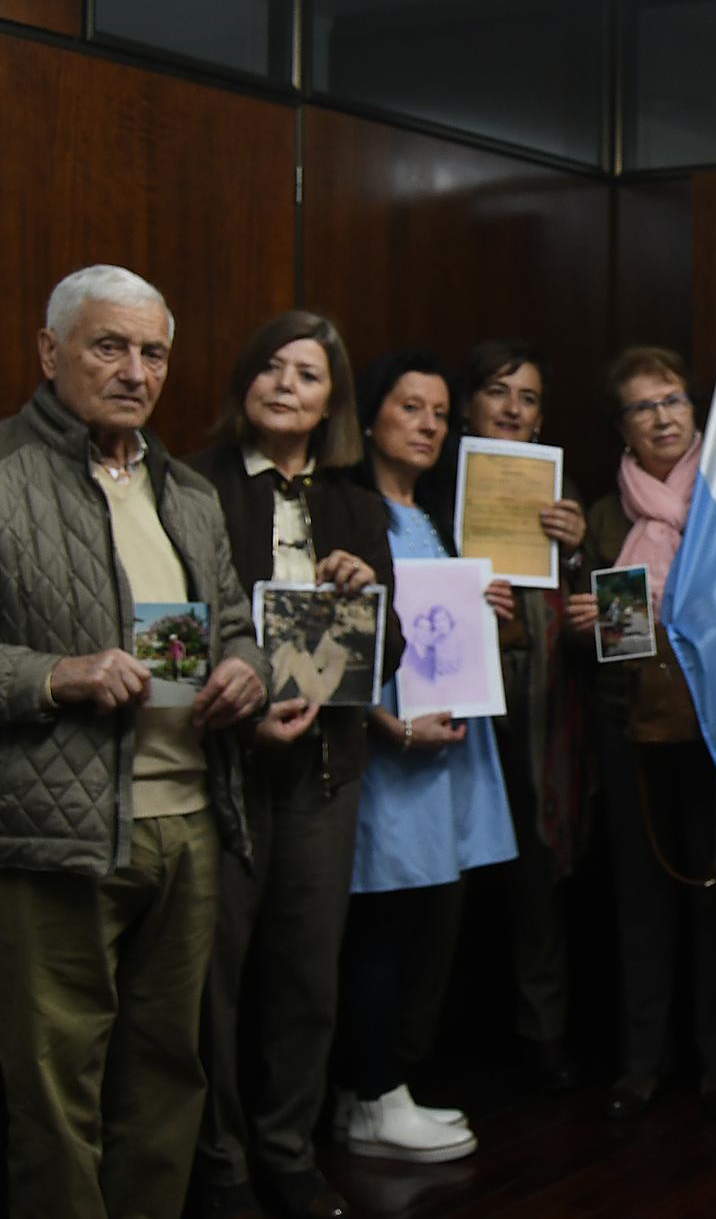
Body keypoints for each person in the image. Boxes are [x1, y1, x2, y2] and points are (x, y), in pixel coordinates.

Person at [0, 265, 269, 1219]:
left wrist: (248, 667)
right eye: (108, 345)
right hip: (58, 833)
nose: (134, 370)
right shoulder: (5, 479)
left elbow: (232, 625)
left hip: (188, 820)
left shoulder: (186, 491)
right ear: (49, 352)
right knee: (53, 1081)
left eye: (152, 351)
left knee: (166, 1071)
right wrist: (52, 675)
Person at [186, 310, 402, 1219]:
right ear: (244, 380)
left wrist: (365, 600)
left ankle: (290, 1154)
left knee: (306, 979)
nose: (285, 385)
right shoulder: (190, 487)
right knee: (212, 982)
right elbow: (161, 626)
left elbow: (383, 661)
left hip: (324, 771)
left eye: (307, 375)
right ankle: (222, 1165)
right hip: (218, 771)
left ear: (331, 404)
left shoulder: (358, 504)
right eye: (270, 366)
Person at [565, 346, 716, 1122]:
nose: (661, 417)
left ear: (696, 410)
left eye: (673, 401)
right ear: (621, 426)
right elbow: (573, 638)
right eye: (642, 406)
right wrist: (583, 623)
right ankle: (641, 1062)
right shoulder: (598, 515)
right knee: (639, 895)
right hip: (631, 720)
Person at [335, 350, 518, 1163]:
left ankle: (380, 1086)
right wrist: (385, 723)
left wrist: (488, 608)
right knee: (381, 922)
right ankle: (371, 1095)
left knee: (414, 924)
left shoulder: (433, 515)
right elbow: (341, 641)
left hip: (440, 743)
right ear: (371, 415)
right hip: (388, 750)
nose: (430, 425)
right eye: (412, 408)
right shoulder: (353, 509)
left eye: (441, 413)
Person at [455, 339, 591, 1092]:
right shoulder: (435, 482)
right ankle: (451, 1037)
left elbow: (600, 613)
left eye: (529, 397)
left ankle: (543, 1035)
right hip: (454, 706)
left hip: (539, 710)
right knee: (450, 881)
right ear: (468, 402)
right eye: (499, 392)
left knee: (539, 873)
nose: (513, 409)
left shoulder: (562, 492)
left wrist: (574, 556)